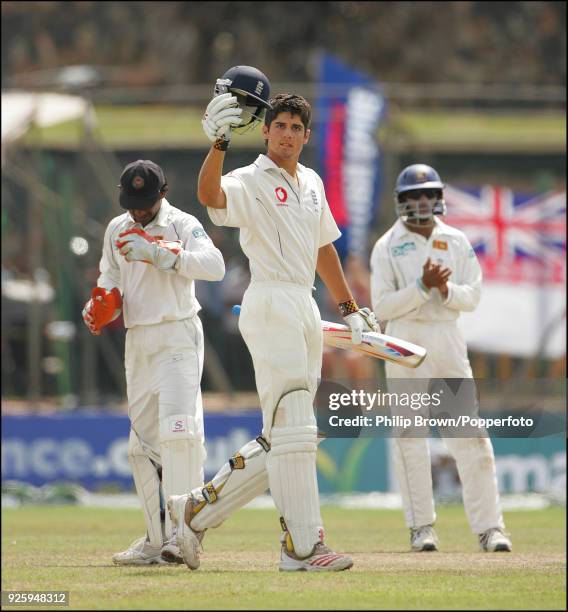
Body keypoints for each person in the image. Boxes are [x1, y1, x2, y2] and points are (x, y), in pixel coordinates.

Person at [167, 65, 378, 572]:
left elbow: (324, 247)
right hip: (269, 300)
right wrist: (218, 143)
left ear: (306, 135)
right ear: (265, 131)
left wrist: (350, 309)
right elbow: (210, 197)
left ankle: (196, 509)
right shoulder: (249, 178)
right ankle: (302, 548)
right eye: (278, 126)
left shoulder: (311, 183)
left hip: (305, 304)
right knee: (296, 429)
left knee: (291, 433)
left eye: (295, 128)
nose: (286, 135)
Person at [82, 159, 225, 565]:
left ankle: (184, 538)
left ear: (162, 194)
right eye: (132, 203)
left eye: (145, 203)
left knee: (179, 434)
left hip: (177, 333)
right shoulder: (116, 227)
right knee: (140, 446)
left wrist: (164, 255)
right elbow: (109, 279)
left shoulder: (181, 223)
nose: (138, 211)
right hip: (138, 338)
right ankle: (154, 539)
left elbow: (215, 266)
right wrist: (98, 306)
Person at [369, 163, 512, 553]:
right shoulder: (387, 246)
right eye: (413, 196)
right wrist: (421, 286)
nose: (421, 202)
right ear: (401, 202)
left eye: (428, 194)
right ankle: (421, 528)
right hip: (404, 343)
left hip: (447, 338)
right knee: (411, 439)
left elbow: (474, 296)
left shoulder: (457, 241)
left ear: (438, 198)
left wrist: (445, 289)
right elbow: (382, 305)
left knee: (471, 437)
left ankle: (490, 528)